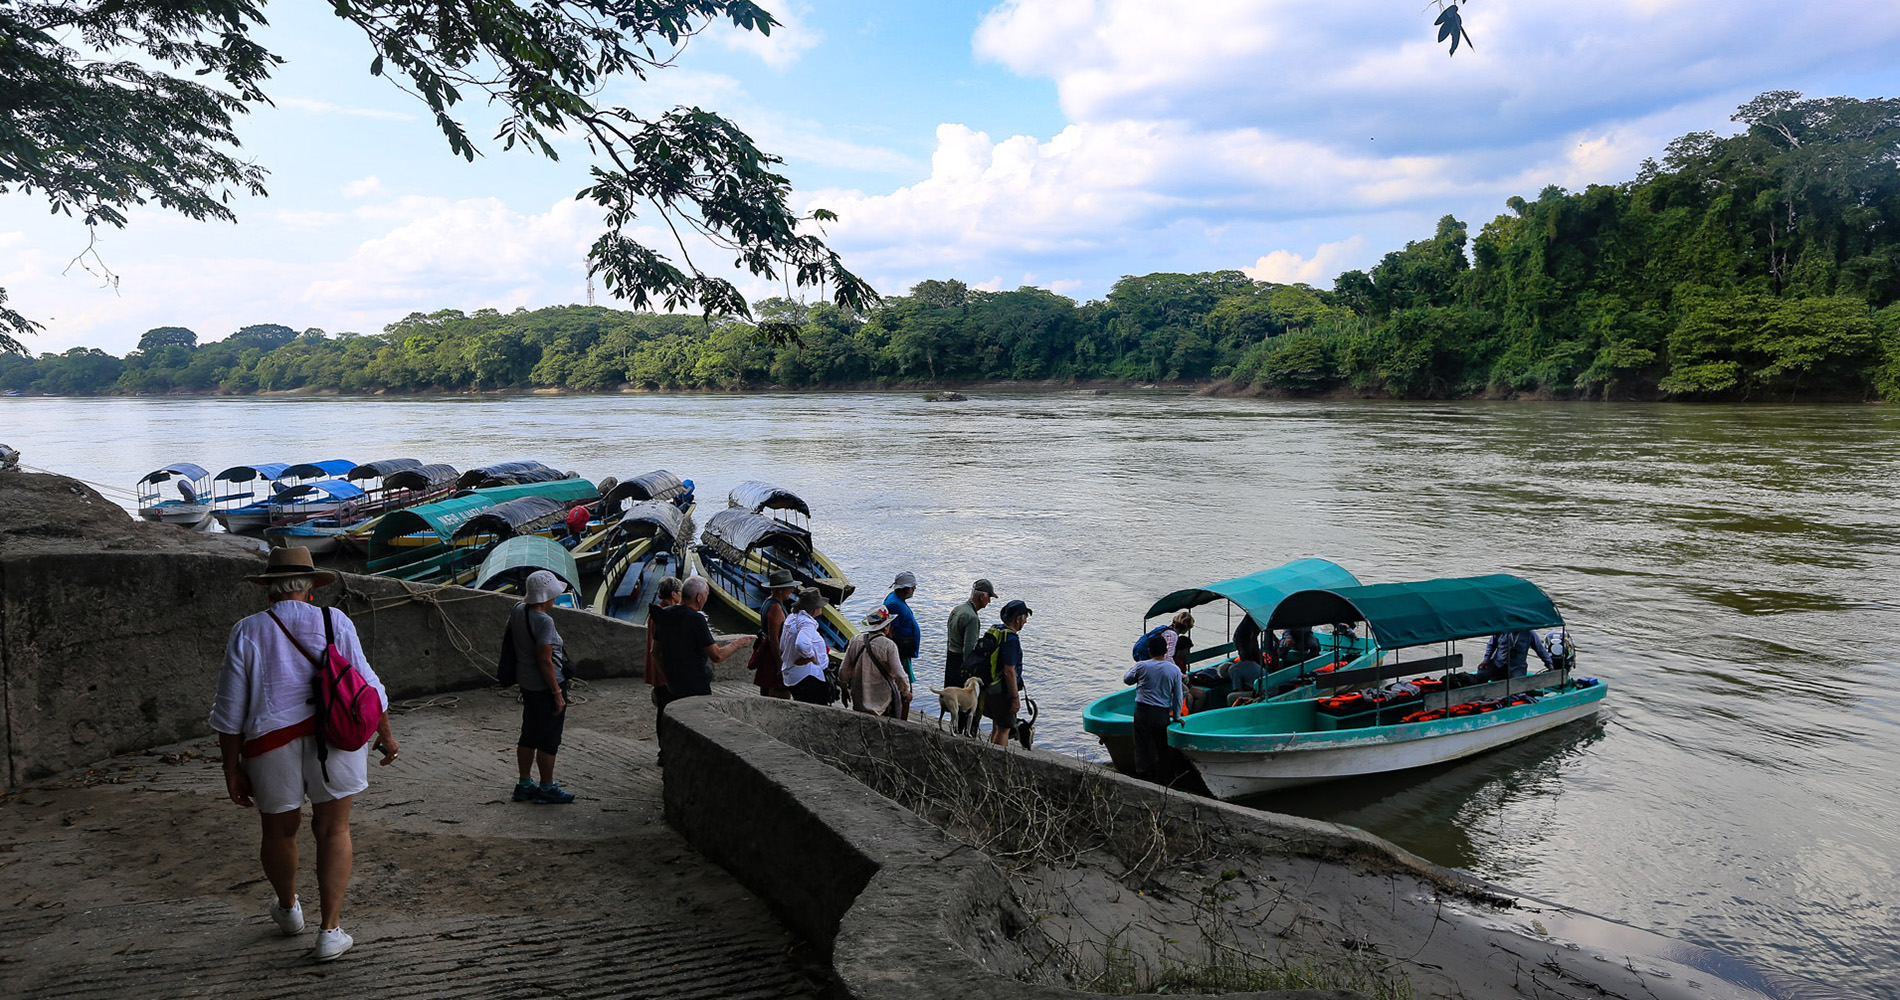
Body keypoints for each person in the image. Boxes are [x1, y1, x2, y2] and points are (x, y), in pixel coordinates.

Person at [210, 546, 398, 963]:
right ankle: (329, 931)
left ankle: (289, 908)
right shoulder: (336, 620)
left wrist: (230, 767)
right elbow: (369, 687)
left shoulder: (247, 630)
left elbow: (229, 709)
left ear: (268, 590)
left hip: (268, 745)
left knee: (279, 831)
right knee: (334, 830)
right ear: (311, 586)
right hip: (335, 738)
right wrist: (385, 734)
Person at [512, 570, 577, 805]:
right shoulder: (544, 620)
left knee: (528, 733)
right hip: (546, 686)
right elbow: (545, 660)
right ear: (546, 597)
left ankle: (524, 783)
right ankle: (547, 786)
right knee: (549, 738)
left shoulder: (518, 610)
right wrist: (557, 694)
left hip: (527, 683)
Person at [651, 576, 755, 702]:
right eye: (706, 595)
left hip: (673, 686)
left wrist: (667, 677)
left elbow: (654, 652)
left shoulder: (664, 613)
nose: (706, 599)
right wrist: (737, 644)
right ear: (699, 598)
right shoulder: (696, 619)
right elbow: (717, 656)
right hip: (695, 685)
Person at [1123, 633, 1183, 781]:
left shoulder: (1142, 666)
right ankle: (1162, 776)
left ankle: (1143, 773)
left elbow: (1127, 680)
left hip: (1143, 711)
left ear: (1149, 651)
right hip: (1162, 713)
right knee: (1162, 746)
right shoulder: (1174, 670)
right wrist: (1177, 716)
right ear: (1165, 651)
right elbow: (1178, 696)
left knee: (1141, 744)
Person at [841, 607, 911, 718]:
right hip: (882, 703)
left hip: (859, 700)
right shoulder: (889, 645)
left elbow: (843, 671)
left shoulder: (855, 640)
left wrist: (844, 689)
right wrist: (906, 692)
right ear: (886, 627)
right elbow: (899, 675)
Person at [980, 599, 1032, 747]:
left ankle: (990, 755)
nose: (1026, 622)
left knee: (996, 725)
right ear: (1018, 619)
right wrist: (1015, 698)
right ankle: (998, 763)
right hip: (1002, 690)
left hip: (989, 686)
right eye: (1025, 618)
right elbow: (1009, 671)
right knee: (1004, 729)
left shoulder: (995, 630)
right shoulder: (1011, 639)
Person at [748, 569, 797, 698]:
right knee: (779, 692)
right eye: (789, 587)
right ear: (780, 589)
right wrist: (780, 663)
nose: (792, 590)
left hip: (770, 654)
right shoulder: (775, 608)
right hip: (772, 656)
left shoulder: (769, 602)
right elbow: (774, 639)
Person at [780, 587, 832, 704]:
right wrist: (810, 657)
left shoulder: (791, 618)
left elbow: (782, 646)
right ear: (813, 610)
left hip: (792, 675)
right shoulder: (807, 623)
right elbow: (801, 643)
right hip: (807, 677)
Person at [945, 578, 996, 687]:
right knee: (962, 703)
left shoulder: (957, 609)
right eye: (989, 597)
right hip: (960, 664)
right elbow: (969, 649)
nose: (989, 601)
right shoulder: (972, 618)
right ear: (982, 597)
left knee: (949, 697)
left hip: (950, 659)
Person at [643, 575, 683, 708]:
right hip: (664, 673)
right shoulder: (664, 615)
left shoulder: (657, 612)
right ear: (674, 594)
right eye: (680, 592)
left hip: (659, 671)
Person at [883, 570, 922, 685]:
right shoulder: (894, 604)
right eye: (913, 586)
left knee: (905, 680)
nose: (915, 588)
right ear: (906, 588)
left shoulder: (897, 599)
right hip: (900, 649)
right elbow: (889, 631)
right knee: (904, 682)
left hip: (904, 647)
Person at [1477, 629, 1553, 681]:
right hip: (1499, 663)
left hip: (1517, 667)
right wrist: (1486, 659)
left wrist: (1550, 665)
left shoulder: (1530, 633)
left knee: (1516, 687)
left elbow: (1541, 650)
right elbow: (1491, 644)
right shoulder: (1501, 630)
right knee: (1481, 674)